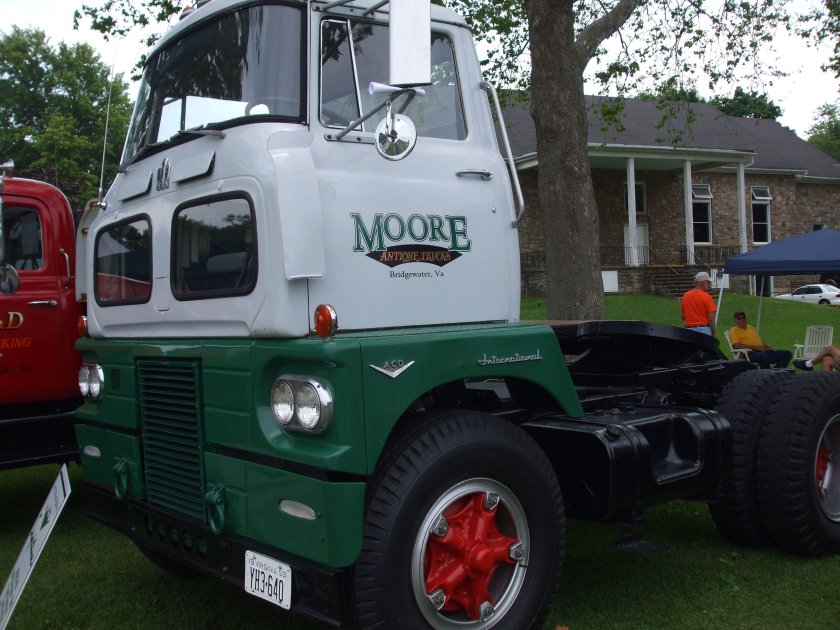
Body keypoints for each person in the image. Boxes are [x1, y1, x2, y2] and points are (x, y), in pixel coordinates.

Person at [681, 271, 716, 336]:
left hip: (688, 330)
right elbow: (711, 319)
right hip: (703, 330)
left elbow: (683, 316)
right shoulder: (707, 297)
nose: (709, 284)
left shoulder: (685, 296)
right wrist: (713, 333)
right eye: (708, 282)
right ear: (702, 283)